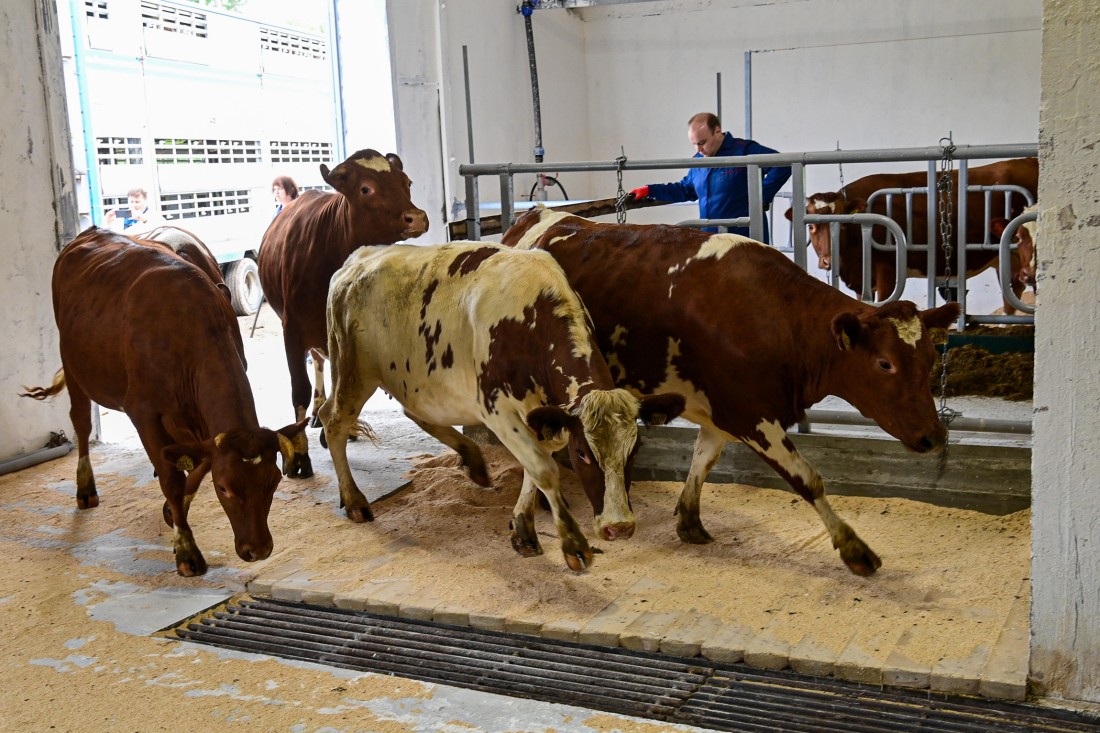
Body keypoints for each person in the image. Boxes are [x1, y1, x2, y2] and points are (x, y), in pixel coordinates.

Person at [628, 112, 791, 243]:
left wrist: (761, 197)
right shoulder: (698, 162)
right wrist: (650, 190)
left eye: (702, 142)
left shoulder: (743, 151)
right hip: (711, 241)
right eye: (694, 144)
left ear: (717, 131)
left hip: (745, 240)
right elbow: (685, 190)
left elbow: (782, 164)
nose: (698, 149)